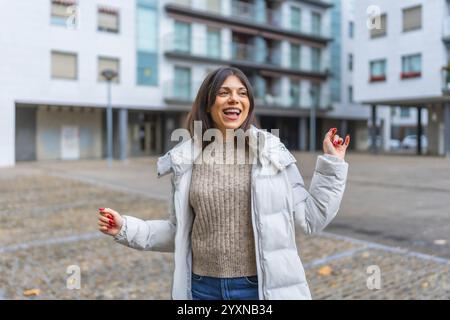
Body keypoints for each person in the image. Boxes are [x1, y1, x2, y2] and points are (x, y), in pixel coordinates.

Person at [97, 66, 350, 300]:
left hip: (259, 289)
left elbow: (310, 219)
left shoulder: (270, 153)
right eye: (223, 92)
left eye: (242, 93)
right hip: (201, 289)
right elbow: (180, 231)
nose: (234, 99)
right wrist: (126, 228)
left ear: (248, 105)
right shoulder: (186, 160)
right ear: (208, 104)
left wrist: (332, 164)